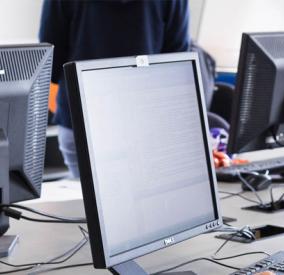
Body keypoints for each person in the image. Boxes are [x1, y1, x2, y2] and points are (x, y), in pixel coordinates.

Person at [39, 0, 191, 178]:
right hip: (143, 122)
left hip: (81, 116)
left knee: (84, 201)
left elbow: (51, 61)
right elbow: (177, 62)